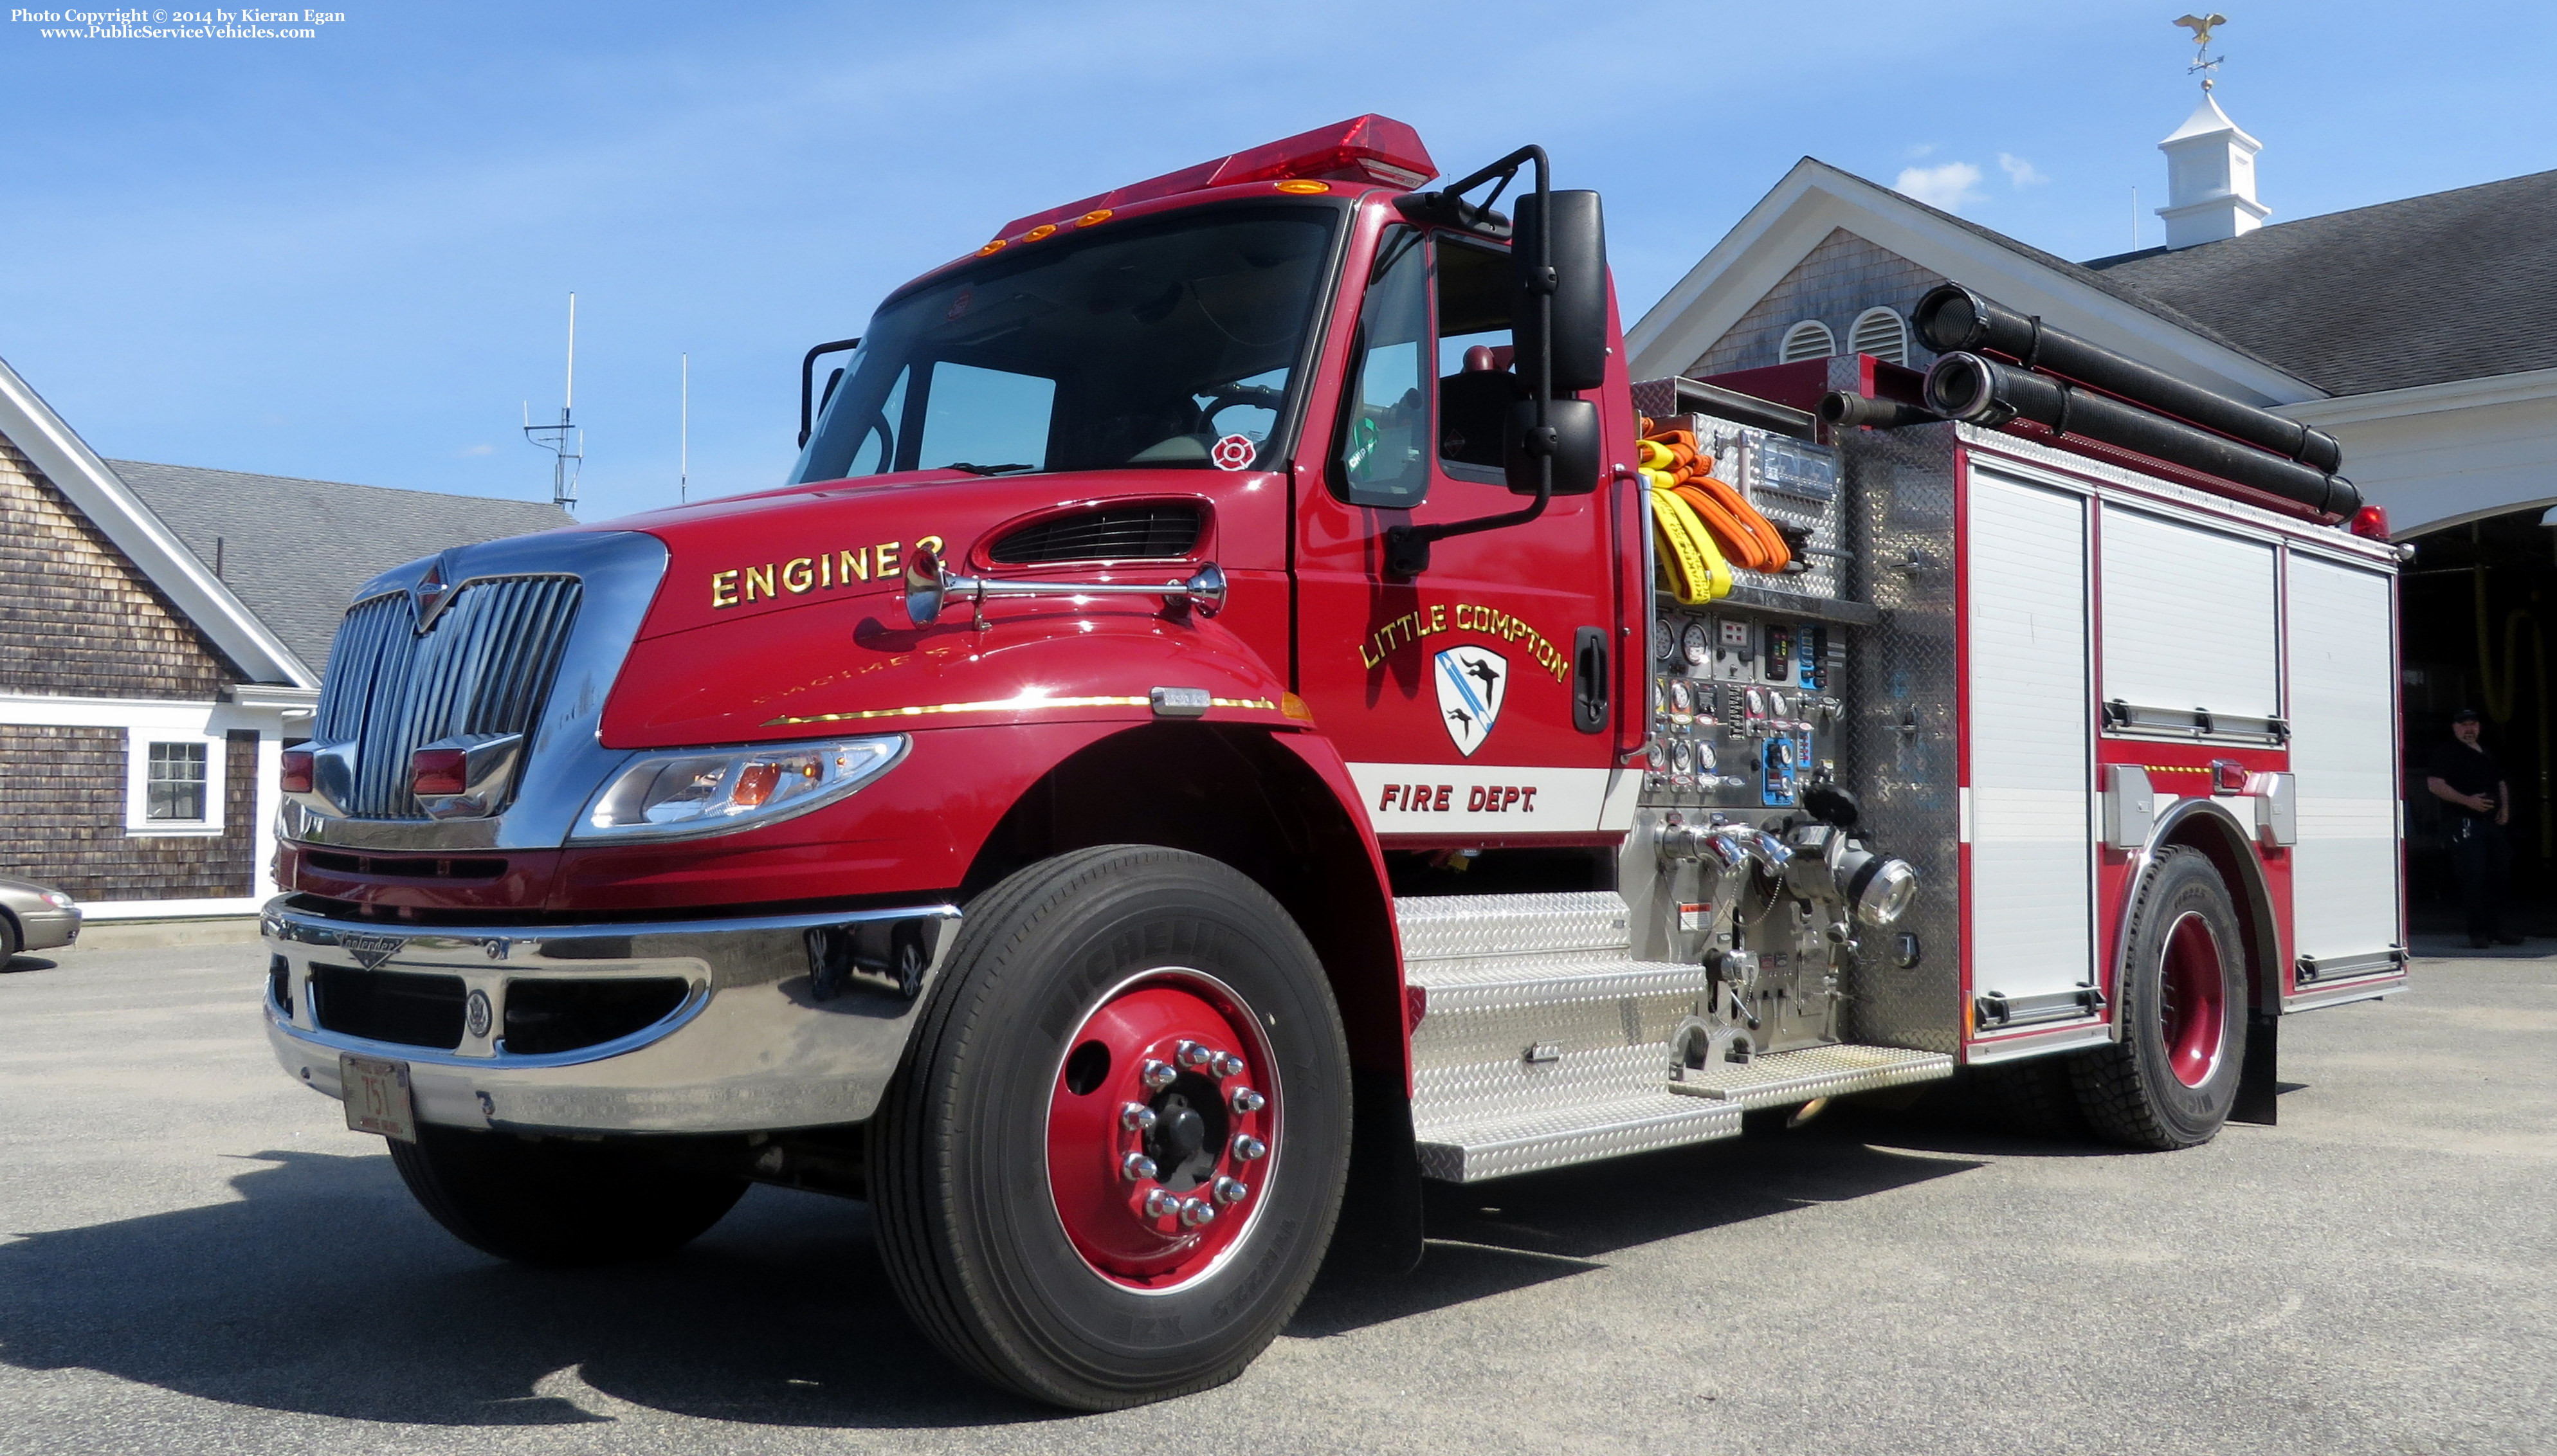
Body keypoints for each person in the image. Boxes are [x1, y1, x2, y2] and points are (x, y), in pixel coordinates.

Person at [2426, 708, 2522, 948]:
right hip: (2464, 824)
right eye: (2464, 725)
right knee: (2474, 877)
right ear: (2455, 727)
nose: (2469, 729)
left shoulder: (2487, 751)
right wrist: (2468, 801)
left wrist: (2505, 809)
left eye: (2473, 724)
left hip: (2492, 824)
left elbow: (2500, 782)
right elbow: (2435, 785)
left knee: (2499, 876)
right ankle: (2477, 933)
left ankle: (2497, 929)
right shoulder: (2446, 753)